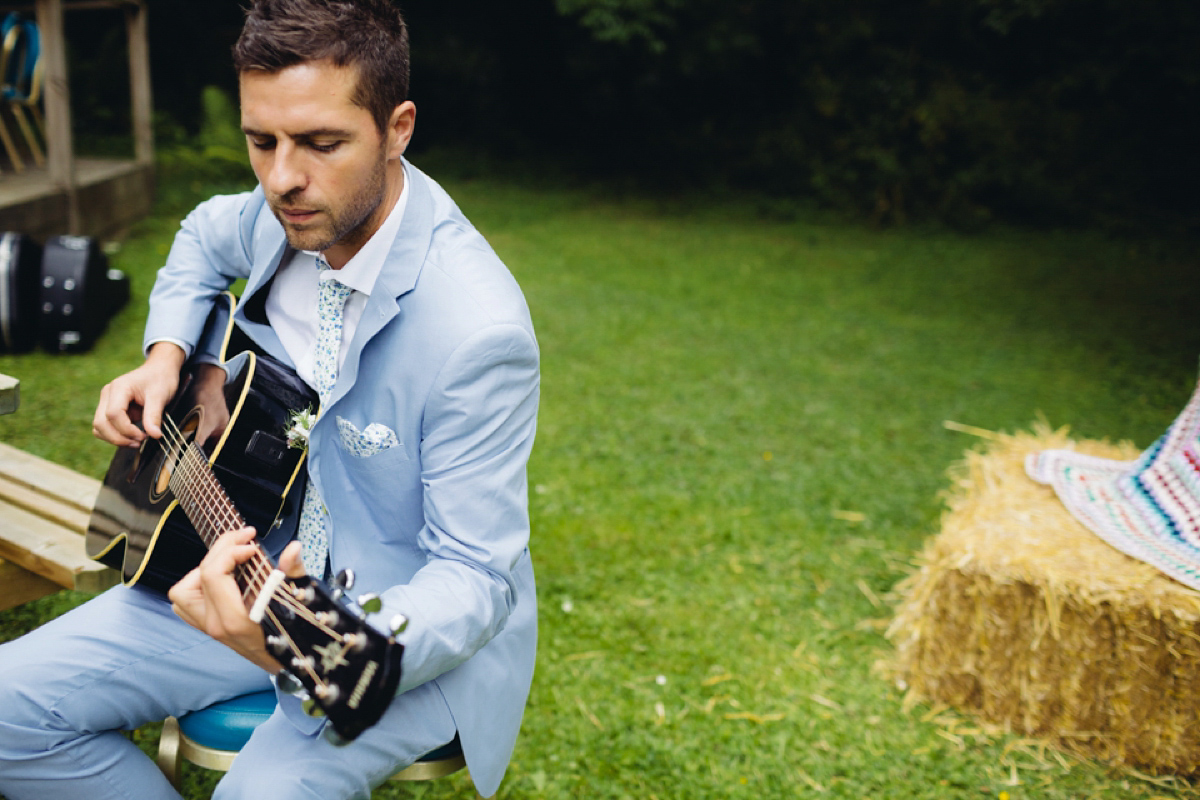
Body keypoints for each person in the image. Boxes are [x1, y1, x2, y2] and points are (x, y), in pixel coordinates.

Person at [0, 1, 539, 798]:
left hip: (385, 640)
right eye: (262, 142)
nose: (283, 178)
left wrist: (317, 648)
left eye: (323, 143)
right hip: (227, 564)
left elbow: (474, 578)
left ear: (398, 129)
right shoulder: (276, 216)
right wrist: (168, 355)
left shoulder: (477, 332)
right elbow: (197, 240)